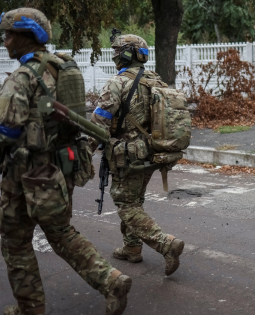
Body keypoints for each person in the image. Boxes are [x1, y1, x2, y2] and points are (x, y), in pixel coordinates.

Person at [0, 8, 131, 315]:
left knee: (16, 242)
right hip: (61, 167)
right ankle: (111, 280)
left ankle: (30, 309)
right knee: (61, 233)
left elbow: (5, 132)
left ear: (26, 38)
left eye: (9, 35)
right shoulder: (63, 66)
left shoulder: (24, 76)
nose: (6, 42)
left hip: (26, 174)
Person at [88, 33, 185, 276]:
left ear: (126, 54)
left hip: (126, 156)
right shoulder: (156, 81)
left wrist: (85, 151)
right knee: (134, 200)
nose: (114, 56)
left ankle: (166, 244)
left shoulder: (117, 83)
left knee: (125, 203)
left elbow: (99, 122)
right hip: (151, 153)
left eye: (117, 51)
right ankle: (132, 248)